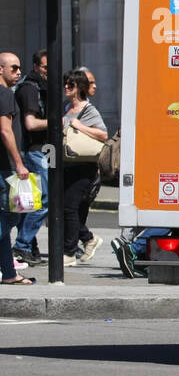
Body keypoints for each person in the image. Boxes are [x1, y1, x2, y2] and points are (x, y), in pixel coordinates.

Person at [60, 69, 108, 267]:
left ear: (79, 88)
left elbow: (103, 134)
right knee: (64, 208)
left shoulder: (88, 110)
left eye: (70, 85)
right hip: (67, 164)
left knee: (69, 208)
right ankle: (88, 239)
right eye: (65, 84)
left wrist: (79, 126)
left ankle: (69, 252)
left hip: (84, 166)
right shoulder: (66, 108)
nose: (66, 88)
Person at [0, 52, 34, 284]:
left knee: (5, 219)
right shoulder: (4, 95)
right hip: (6, 168)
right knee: (11, 218)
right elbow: (5, 130)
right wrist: (19, 164)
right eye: (13, 68)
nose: (19, 72)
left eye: (19, 67)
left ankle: (9, 273)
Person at [13, 49, 49, 267]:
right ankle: (23, 245)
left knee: (28, 202)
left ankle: (28, 247)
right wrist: (57, 121)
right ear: (36, 67)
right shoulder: (30, 87)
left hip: (41, 149)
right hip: (35, 150)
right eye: (45, 67)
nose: (49, 72)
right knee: (43, 200)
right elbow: (31, 123)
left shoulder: (38, 86)